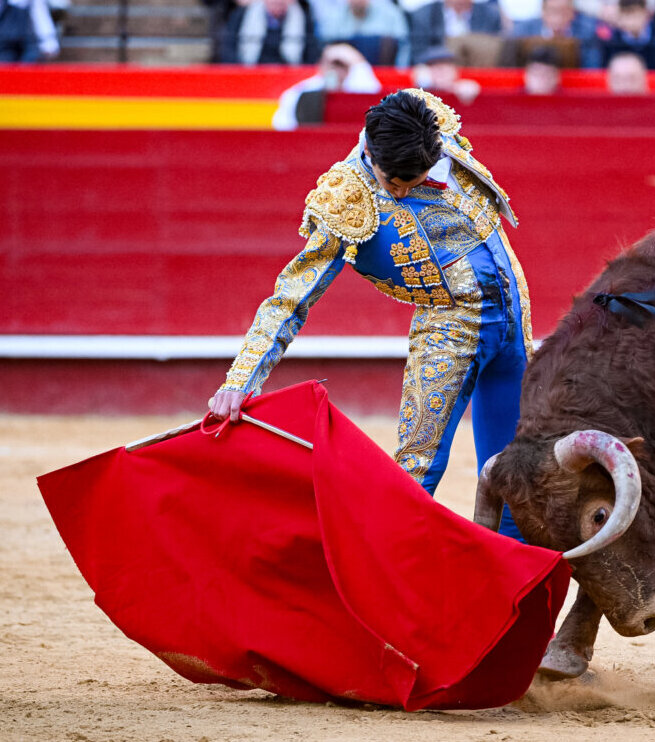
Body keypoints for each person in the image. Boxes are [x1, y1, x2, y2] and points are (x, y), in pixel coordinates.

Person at [209, 90, 531, 541]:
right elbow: (291, 297)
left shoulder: (429, 122)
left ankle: (511, 597)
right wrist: (241, 379)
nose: (399, 190)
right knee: (414, 474)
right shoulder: (345, 199)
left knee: (518, 472)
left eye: (411, 181)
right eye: (392, 182)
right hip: (449, 328)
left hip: (515, 313)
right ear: (371, 155)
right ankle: (382, 595)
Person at [272, 42, 383, 130]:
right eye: (331, 64)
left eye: (341, 66)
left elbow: (375, 98)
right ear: (320, 65)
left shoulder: (358, 87)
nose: (336, 70)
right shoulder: (301, 91)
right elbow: (282, 124)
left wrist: (357, 61)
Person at [217, 0, 321, 65]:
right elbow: (229, 49)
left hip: (288, 73)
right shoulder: (243, 14)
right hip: (251, 72)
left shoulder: (302, 17)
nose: (277, 1)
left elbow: (311, 53)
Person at [407, 0, 502, 66]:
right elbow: (418, 53)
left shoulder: (490, 16)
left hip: (478, 77)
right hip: (436, 81)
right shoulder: (424, 15)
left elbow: (496, 54)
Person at [318, 0, 411, 65]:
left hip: (384, 76)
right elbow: (325, 47)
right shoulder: (333, 17)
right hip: (343, 79)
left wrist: (399, 72)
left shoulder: (391, 15)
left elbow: (403, 47)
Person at [593, 0, 655, 68]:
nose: (631, 21)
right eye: (626, 15)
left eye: (635, 14)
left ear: (646, 13)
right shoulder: (611, 43)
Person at [411, 44, 482, 102]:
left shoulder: (464, 85)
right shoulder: (419, 88)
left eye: (447, 66)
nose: (442, 71)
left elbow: (470, 87)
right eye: (435, 66)